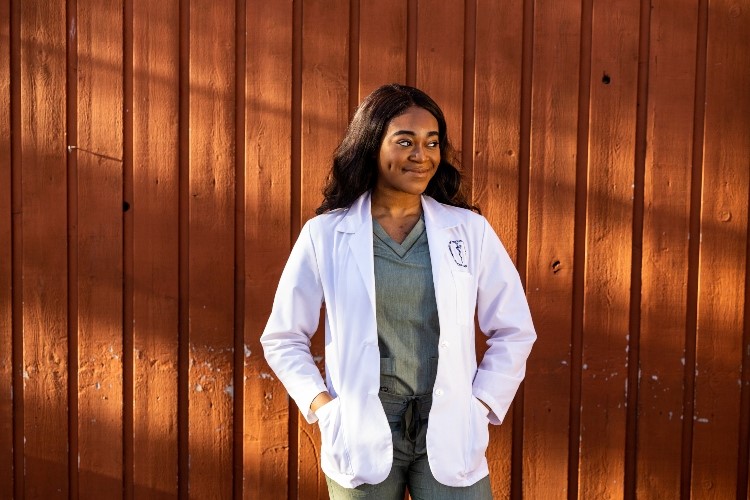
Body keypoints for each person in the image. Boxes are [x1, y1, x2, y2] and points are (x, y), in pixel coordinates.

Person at [261, 83, 536, 499]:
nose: (420, 155)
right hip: (362, 420)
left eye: (432, 142)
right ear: (372, 145)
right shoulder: (327, 234)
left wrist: (479, 406)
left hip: (448, 418)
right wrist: (324, 408)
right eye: (404, 141)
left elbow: (514, 328)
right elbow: (283, 336)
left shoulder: (468, 231)